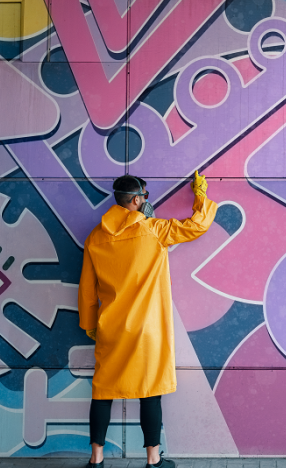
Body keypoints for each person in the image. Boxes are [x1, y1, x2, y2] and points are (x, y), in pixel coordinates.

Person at [78, 172, 216, 468]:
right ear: (138, 200)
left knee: (103, 391)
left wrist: (89, 323)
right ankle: (154, 460)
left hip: (110, 327)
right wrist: (200, 193)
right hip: (146, 331)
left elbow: (87, 288)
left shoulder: (95, 237)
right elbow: (197, 225)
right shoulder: (154, 230)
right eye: (146, 198)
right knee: (150, 392)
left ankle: (96, 458)